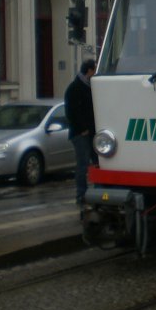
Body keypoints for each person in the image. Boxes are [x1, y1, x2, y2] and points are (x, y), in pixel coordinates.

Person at [65, 59, 97, 206]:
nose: (95, 74)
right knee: (83, 165)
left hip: (90, 132)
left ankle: (97, 189)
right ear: (89, 71)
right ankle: (81, 194)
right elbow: (72, 112)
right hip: (81, 133)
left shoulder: (88, 86)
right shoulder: (75, 88)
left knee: (97, 162)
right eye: (94, 70)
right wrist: (82, 129)